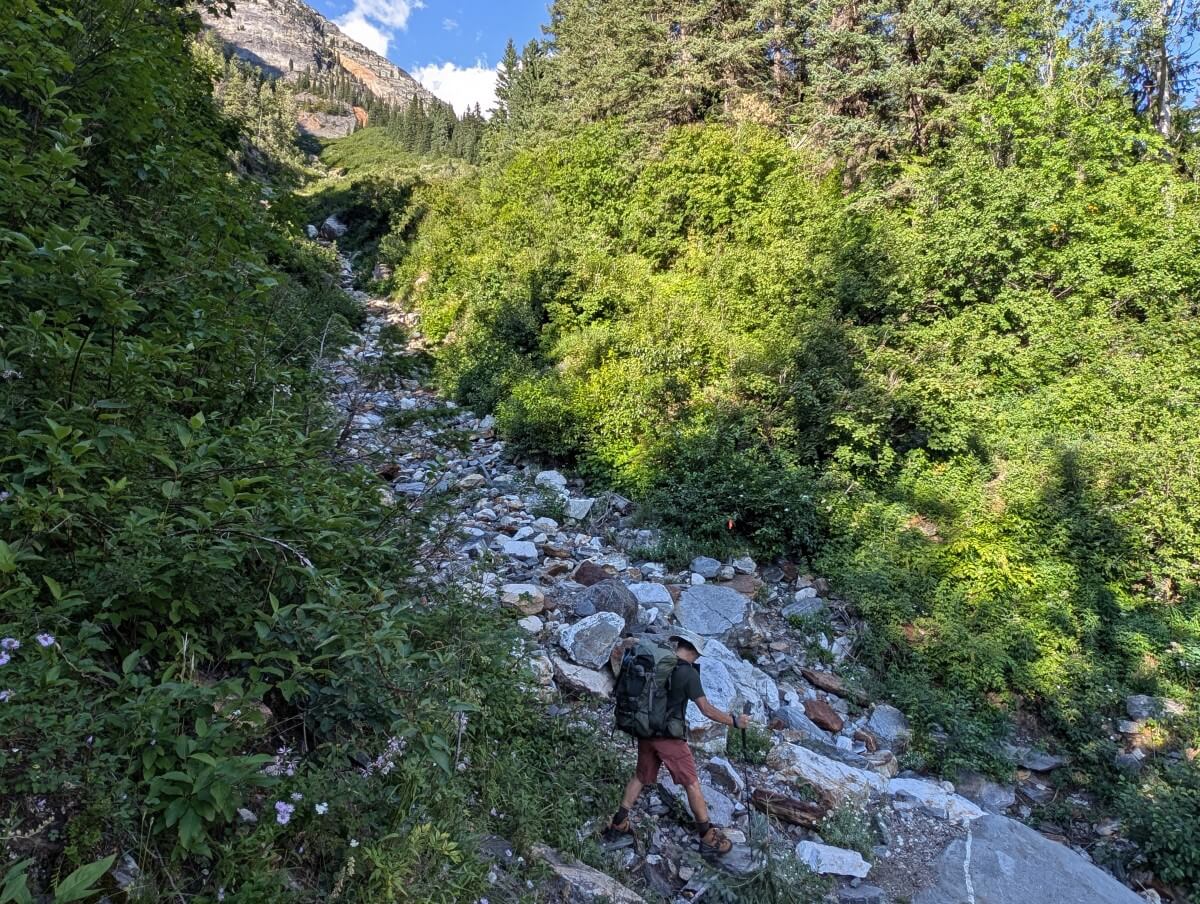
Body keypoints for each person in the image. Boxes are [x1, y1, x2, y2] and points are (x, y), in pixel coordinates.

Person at [606, 628, 751, 855]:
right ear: (693, 651)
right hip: (669, 737)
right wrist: (734, 721)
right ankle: (707, 836)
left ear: (679, 645)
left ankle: (619, 821)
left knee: (641, 776)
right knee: (691, 783)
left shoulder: (660, 664)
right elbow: (706, 710)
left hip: (646, 731)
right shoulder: (688, 674)